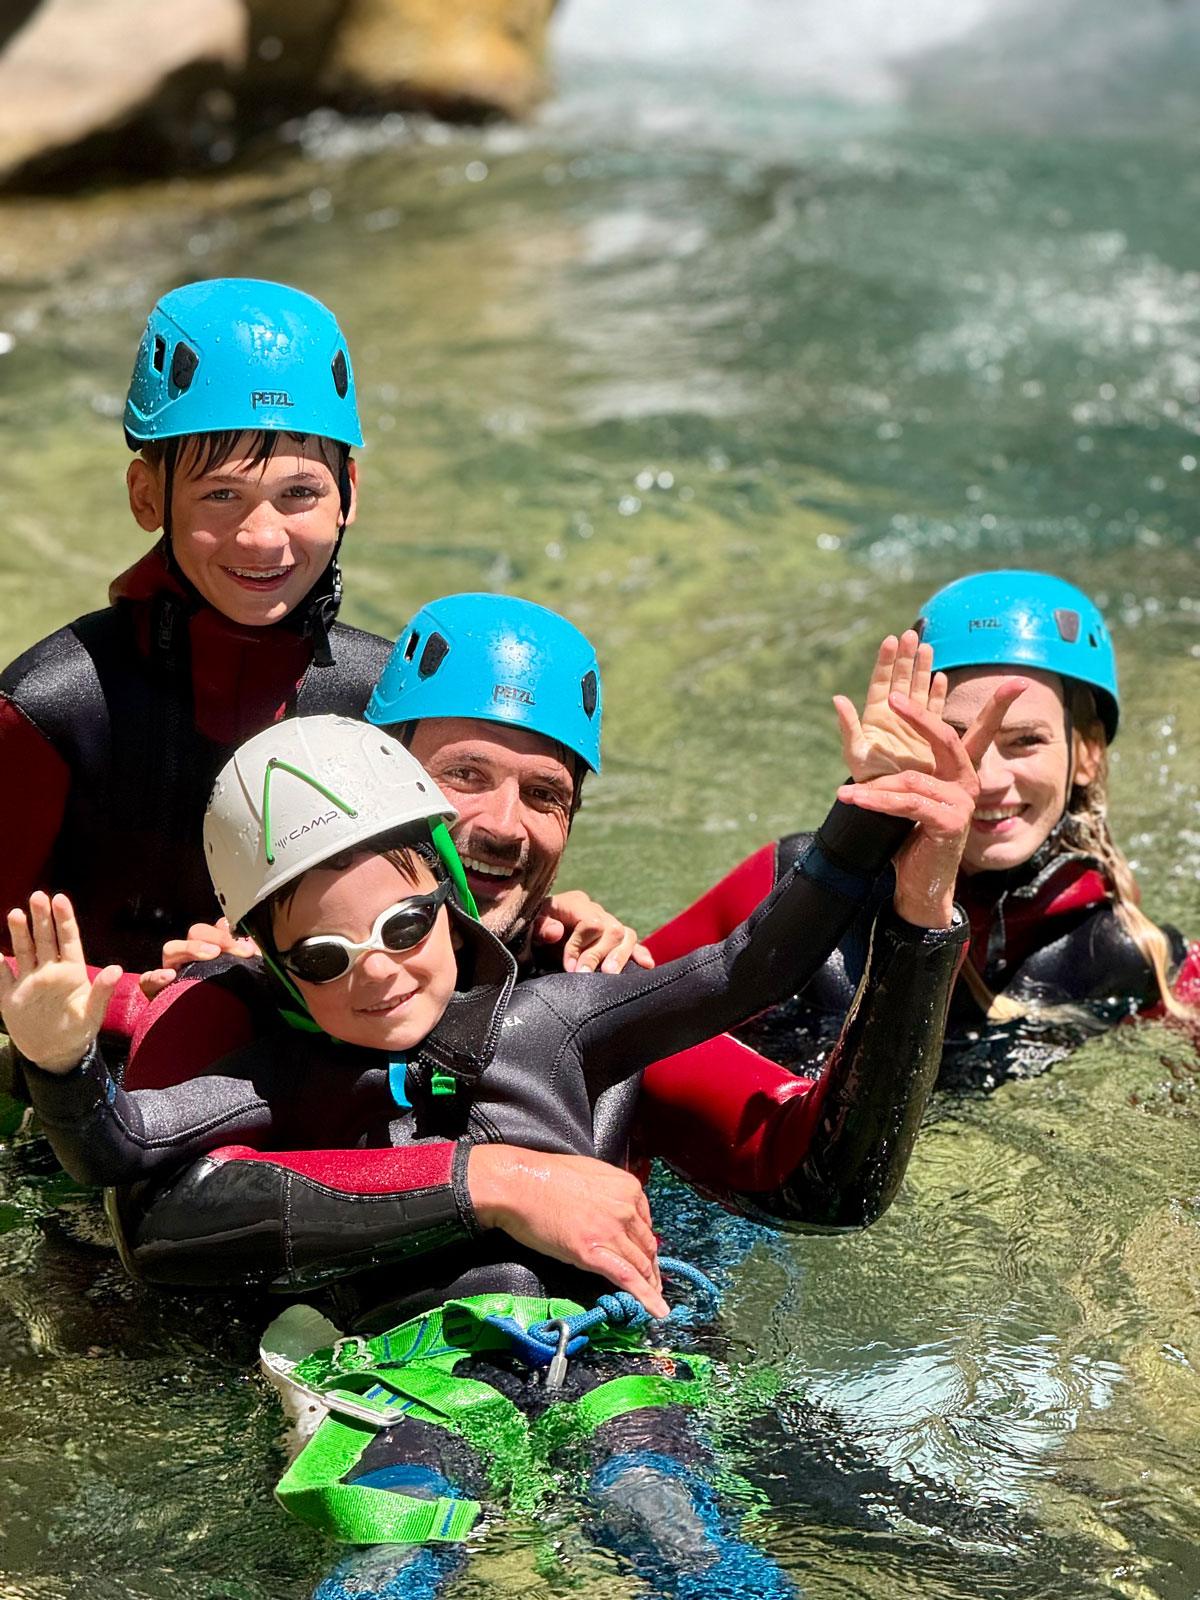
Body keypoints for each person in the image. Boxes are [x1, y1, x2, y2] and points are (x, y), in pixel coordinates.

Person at [1, 687, 988, 1579]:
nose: (376, 971)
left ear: (448, 897)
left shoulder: (560, 1014)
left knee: (665, 1515)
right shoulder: (267, 1065)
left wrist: (872, 816)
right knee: (393, 1543)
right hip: (416, 1377)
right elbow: (123, 1154)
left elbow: (748, 968)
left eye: (403, 927)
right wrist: (58, 1060)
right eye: (324, 957)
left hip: (598, 1353)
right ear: (272, 964)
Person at [648, 571, 1198, 1091]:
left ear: (1089, 754)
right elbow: (617, 1001)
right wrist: (596, 934)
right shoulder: (797, 884)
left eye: (1025, 741)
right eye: (953, 738)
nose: (988, 779)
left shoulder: (1135, 959)